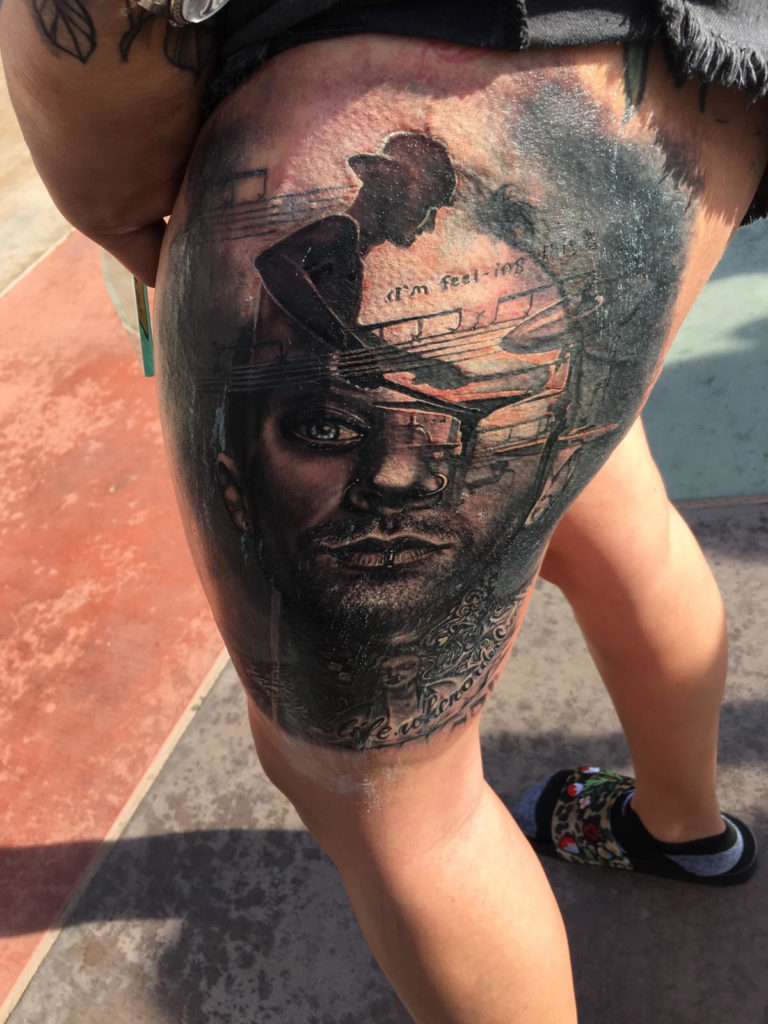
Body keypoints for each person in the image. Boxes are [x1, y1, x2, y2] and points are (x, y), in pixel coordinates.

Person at [3, 2, 766, 1021]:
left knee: (388, 798)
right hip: (685, 90)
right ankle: (681, 827)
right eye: (416, 199)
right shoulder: (335, 239)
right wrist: (389, 366)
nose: (421, 218)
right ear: (388, 186)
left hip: (370, 38)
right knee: (609, 504)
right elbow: (298, 292)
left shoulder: (341, 237)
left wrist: (104, 194)